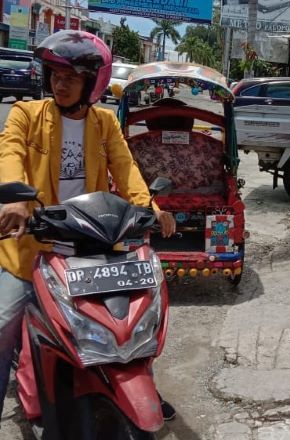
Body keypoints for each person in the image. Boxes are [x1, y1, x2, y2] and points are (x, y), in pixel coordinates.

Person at [0, 30, 177, 422]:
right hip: (32, 243)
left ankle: (135, 384)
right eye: (55, 75)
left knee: (127, 320)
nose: (59, 84)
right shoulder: (26, 115)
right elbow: (9, 151)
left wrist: (151, 208)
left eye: (70, 77)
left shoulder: (104, 123)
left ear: (91, 84)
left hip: (88, 244)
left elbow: (127, 168)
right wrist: (14, 200)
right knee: (2, 325)